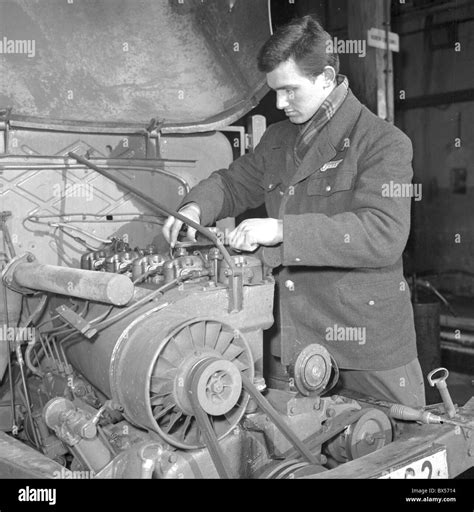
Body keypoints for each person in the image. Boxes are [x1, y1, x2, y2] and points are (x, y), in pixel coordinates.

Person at [163, 15, 425, 408]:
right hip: (293, 341)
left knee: (392, 448)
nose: (281, 103)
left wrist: (282, 230)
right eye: (275, 92)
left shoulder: (384, 143)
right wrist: (195, 206)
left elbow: (383, 235)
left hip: (366, 350)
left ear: (326, 78)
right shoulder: (278, 139)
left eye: (289, 90)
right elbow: (233, 182)